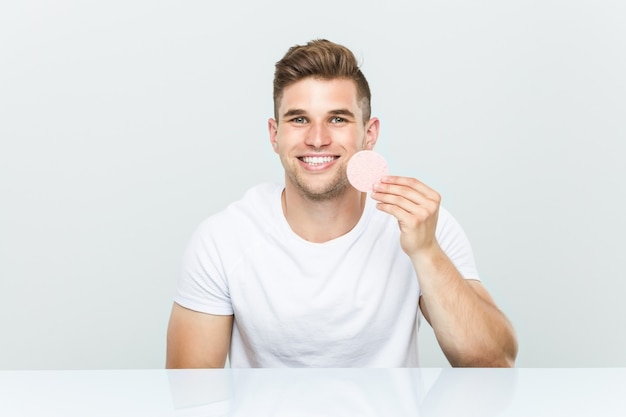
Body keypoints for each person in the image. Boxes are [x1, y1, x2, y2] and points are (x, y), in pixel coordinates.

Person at [166, 39, 518, 368]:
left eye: (337, 119)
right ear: (275, 135)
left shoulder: (422, 225)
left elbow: (495, 360)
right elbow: (190, 395)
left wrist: (426, 252)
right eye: (299, 119)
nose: (317, 139)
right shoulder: (223, 239)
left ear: (370, 134)